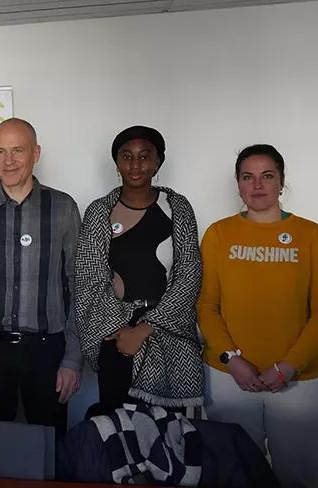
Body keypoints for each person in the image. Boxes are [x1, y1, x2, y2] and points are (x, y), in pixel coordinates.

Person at [197, 144, 318, 488]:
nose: (258, 185)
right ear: (238, 184)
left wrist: (289, 366)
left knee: (299, 476)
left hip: (298, 383)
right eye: (248, 177)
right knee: (234, 474)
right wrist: (232, 360)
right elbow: (206, 305)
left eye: (267, 176)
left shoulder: (312, 235)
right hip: (229, 378)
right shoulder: (219, 233)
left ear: (281, 182)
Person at [0, 117, 83, 439]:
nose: (8, 161)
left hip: (48, 351)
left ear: (36, 153)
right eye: (0, 151)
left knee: (50, 445)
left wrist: (73, 357)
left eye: (18, 150)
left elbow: (79, 284)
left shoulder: (63, 207)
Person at [75, 125, 204, 416]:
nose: (135, 165)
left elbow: (189, 275)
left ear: (157, 163)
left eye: (144, 157)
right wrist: (122, 332)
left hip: (169, 330)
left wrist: (146, 329)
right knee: (119, 428)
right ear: (116, 163)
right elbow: (90, 279)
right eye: (127, 156)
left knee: (170, 431)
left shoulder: (177, 208)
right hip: (115, 335)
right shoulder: (99, 212)